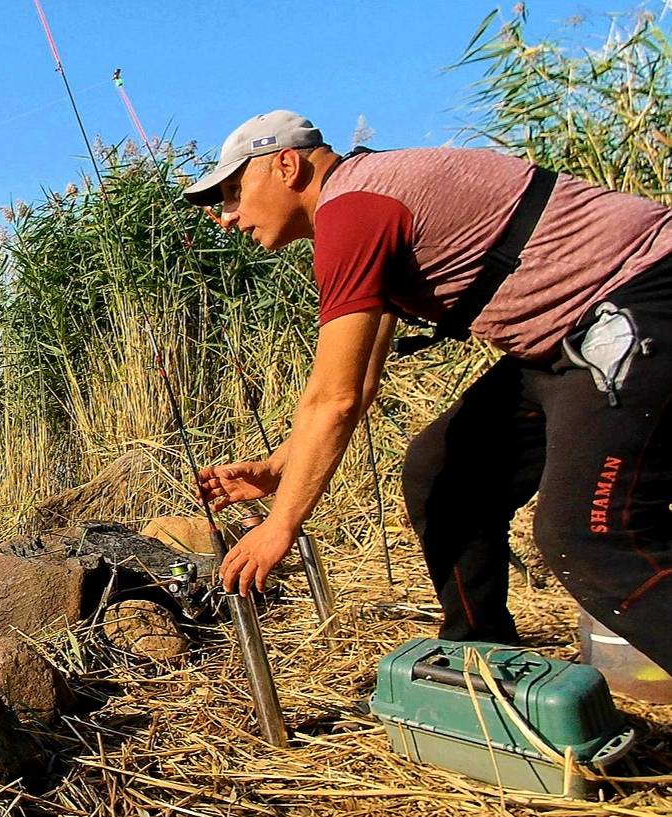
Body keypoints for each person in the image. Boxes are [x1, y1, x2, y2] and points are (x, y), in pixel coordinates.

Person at [185, 110, 672, 671]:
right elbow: (362, 380)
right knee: (442, 472)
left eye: (230, 194)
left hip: (641, 307)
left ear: (286, 165)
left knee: (590, 539)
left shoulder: (353, 210)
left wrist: (282, 525)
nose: (226, 218)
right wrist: (279, 467)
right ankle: (482, 663)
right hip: (562, 343)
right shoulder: (365, 197)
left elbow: (334, 398)